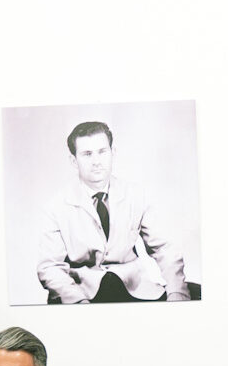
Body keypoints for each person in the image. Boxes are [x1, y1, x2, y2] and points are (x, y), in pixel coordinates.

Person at [35, 121, 191, 304]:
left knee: (195, 295)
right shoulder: (55, 207)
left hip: (133, 290)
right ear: (73, 160)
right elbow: (49, 267)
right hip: (83, 294)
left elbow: (165, 248)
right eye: (87, 154)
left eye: (102, 152)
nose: (96, 162)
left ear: (113, 153)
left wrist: (177, 291)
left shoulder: (137, 195)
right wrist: (78, 302)